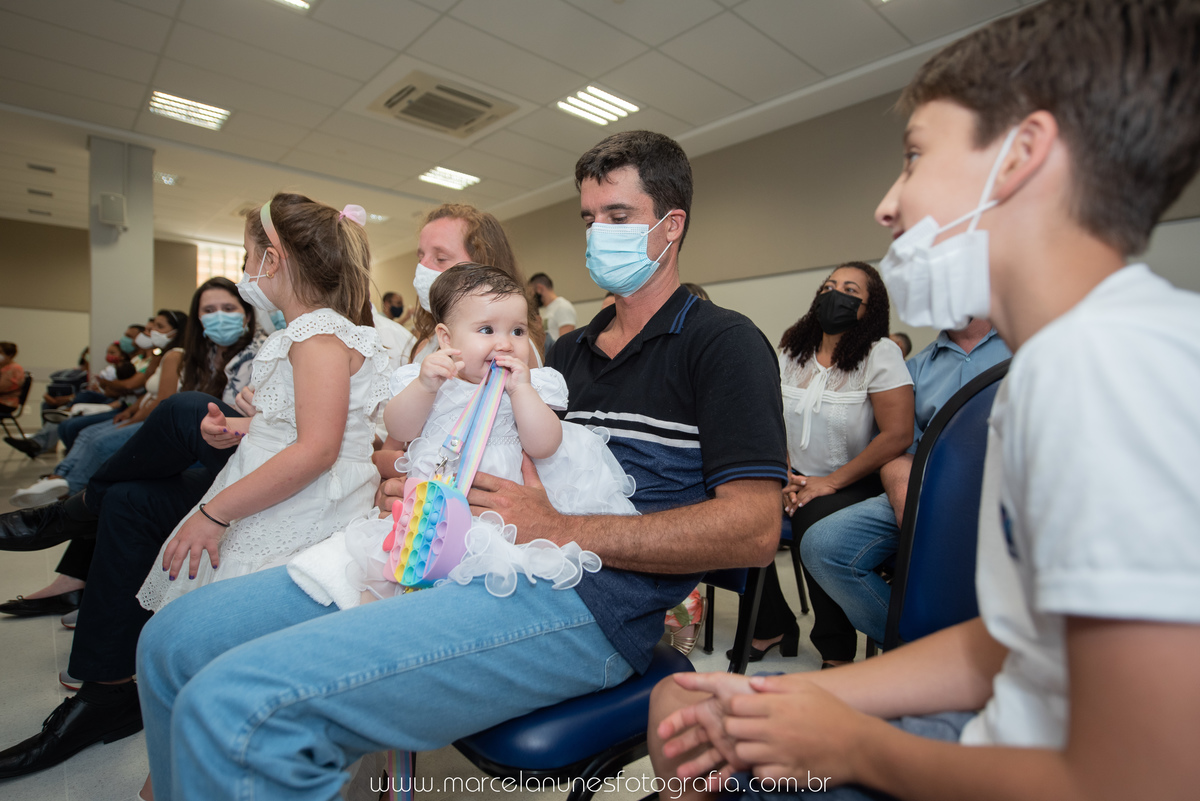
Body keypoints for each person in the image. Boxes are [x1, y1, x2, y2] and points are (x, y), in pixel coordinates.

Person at [132, 129, 787, 801]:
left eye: (618, 216)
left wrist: (563, 528)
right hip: (459, 550)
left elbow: (756, 529)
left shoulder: (723, 343)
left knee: (241, 703)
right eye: (589, 218)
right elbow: (465, 434)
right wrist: (407, 476)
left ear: (670, 225)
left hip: (589, 603)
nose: (598, 234)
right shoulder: (567, 353)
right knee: (173, 641)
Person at [650, 3, 1200, 800]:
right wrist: (791, 699)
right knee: (688, 710)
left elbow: (1141, 779)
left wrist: (854, 746)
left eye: (913, 157)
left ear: (1021, 155)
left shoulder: (1106, 364)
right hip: (996, 724)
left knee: (691, 757)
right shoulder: (1055, 365)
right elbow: (1014, 641)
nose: (888, 204)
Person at [290, 264, 636, 610]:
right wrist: (424, 387)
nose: (505, 343)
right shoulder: (432, 381)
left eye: (517, 331)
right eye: (487, 330)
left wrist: (522, 392)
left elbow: (545, 445)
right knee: (385, 575)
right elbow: (400, 429)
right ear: (446, 339)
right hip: (431, 512)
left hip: (492, 517)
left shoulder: (529, 386)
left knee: (474, 586)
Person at [135, 195, 389, 613]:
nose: (245, 270)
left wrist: (214, 514)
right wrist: (235, 427)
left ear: (270, 260)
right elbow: (300, 426)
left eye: (247, 257)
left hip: (301, 507)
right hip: (282, 490)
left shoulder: (317, 340)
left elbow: (317, 450)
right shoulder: (311, 334)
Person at [800, 317, 1009, 646]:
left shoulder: (1024, 348)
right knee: (823, 546)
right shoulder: (915, 369)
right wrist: (904, 497)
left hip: (1008, 491)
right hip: (929, 493)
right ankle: (915, 646)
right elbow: (898, 447)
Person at [746, 263, 913, 669]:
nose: (835, 294)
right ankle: (772, 623)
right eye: (829, 286)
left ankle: (836, 650)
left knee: (811, 515)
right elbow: (770, 416)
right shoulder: (792, 349)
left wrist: (829, 482)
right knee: (741, 509)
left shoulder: (880, 353)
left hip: (855, 481)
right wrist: (784, 473)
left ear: (869, 307)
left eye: (851, 290)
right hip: (792, 476)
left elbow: (898, 434)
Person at [408, 204, 544, 365]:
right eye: (421, 257)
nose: (422, 267)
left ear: (482, 264)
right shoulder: (427, 341)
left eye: (441, 258)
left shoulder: (510, 351)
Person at [529, 272, 578, 340]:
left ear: (539, 288)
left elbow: (566, 341)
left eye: (531, 293)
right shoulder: (547, 310)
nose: (531, 297)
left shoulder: (562, 307)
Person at [0, 341, 26, 412]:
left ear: (10, 355)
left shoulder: (14, 369)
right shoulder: (3, 367)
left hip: (6, 403)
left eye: (0, 352)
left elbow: (2, 387)